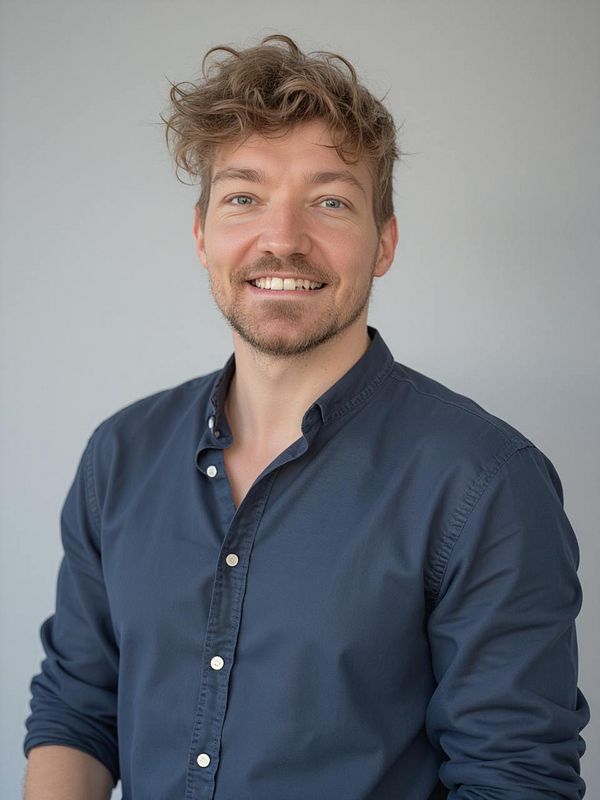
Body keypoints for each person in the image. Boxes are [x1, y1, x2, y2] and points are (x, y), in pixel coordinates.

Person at [23, 33, 589, 800]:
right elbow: (77, 710)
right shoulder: (120, 454)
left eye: (329, 201)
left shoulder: (484, 482)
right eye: (243, 198)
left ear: (382, 243)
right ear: (202, 236)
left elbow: (513, 776)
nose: (282, 239)